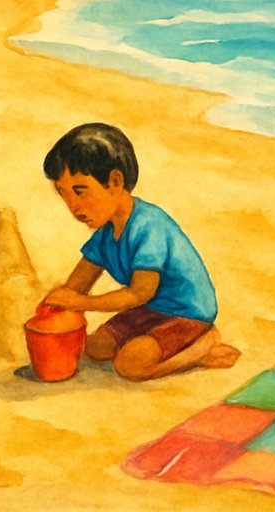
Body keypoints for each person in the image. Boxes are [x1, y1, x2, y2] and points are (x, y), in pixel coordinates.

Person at [40, 122, 240, 381]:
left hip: (186, 312)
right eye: (63, 194)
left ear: (114, 181)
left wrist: (81, 303)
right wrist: (53, 306)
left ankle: (199, 350)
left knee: (130, 365)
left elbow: (139, 292)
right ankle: (165, 345)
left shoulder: (148, 226)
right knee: (95, 347)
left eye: (80, 192)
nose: (73, 206)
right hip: (152, 309)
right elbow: (76, 285)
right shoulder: (104, 233)